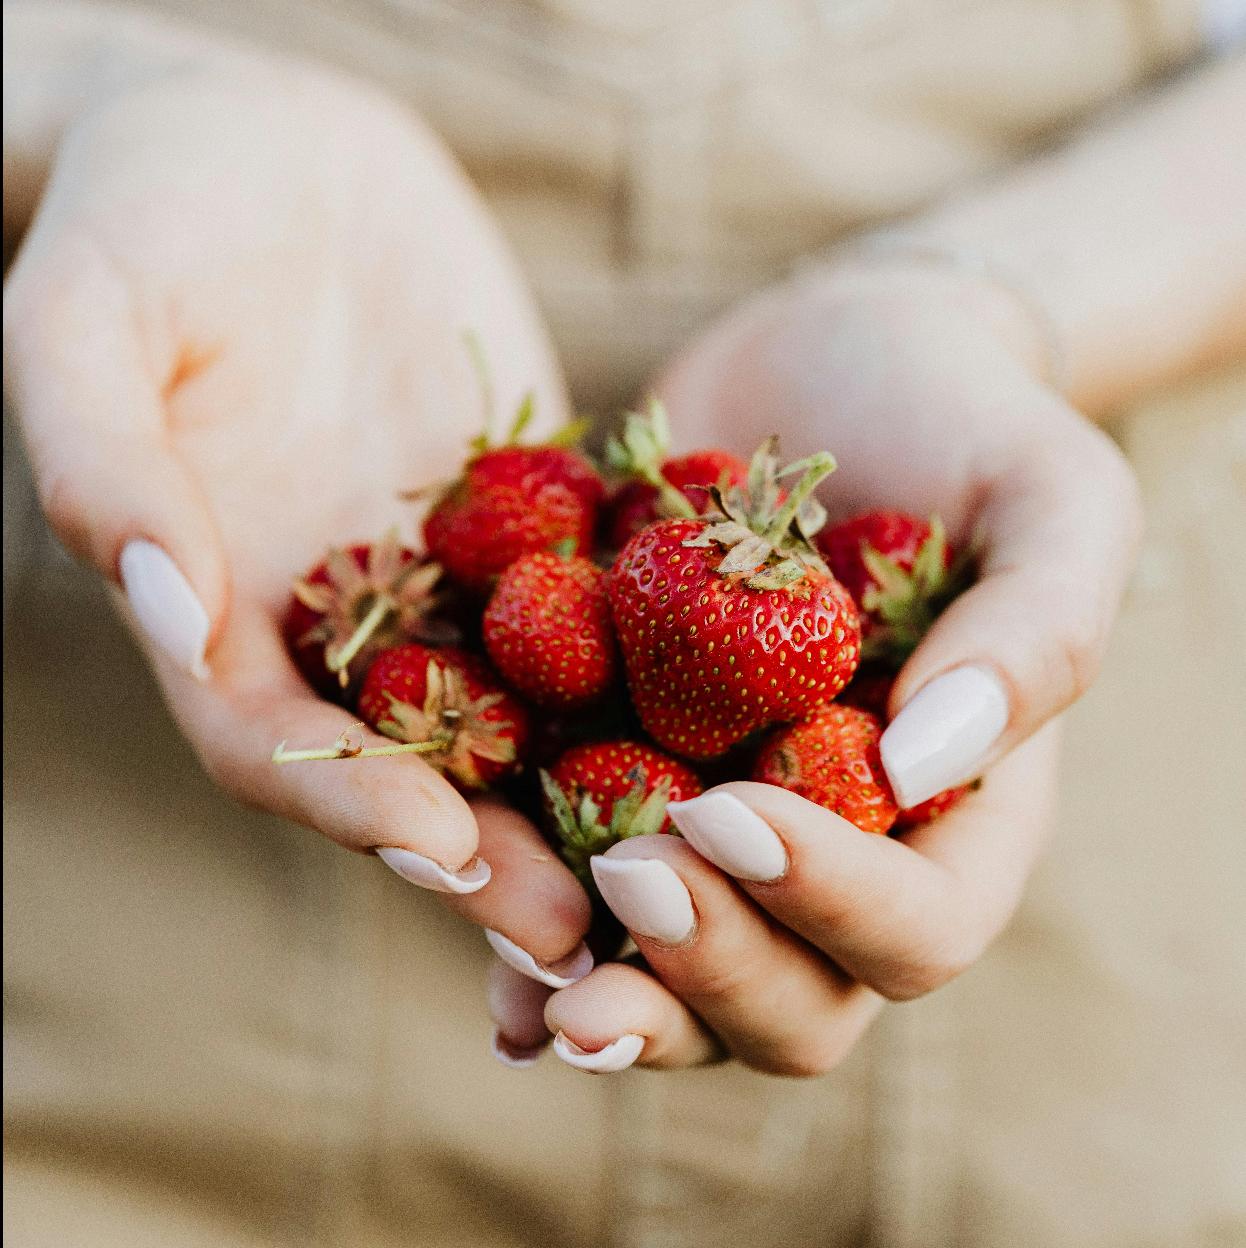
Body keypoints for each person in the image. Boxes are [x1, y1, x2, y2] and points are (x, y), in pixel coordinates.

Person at [4, 2, 1244, 1245]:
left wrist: (1007, 304)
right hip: (139, 966)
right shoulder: (624, 591)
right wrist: (98, 92)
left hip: (1071, 993)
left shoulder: (683, 581)